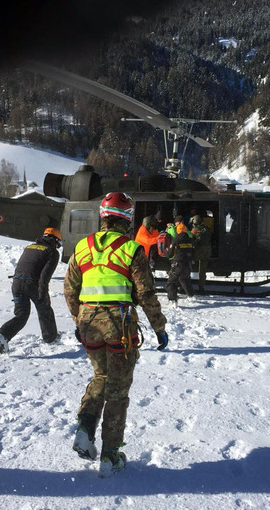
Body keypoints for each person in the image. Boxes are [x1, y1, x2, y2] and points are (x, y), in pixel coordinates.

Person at [64, 192, 168, 478]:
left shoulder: (82, 247)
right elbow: (145, 293)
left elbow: (70, 289)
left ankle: (85, 429)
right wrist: (159, 327)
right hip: (118, 325)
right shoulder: (132, 249)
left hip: (88, 324)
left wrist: (79, 319)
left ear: (103, 216)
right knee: (118, 390)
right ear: (127, 219)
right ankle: (110, 455)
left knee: (101, 376)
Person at [0, 227, 63, 353]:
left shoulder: (29, 247)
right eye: (58, 244)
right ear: (54, 240)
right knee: (45, 310)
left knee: (21, 315)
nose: (58, 247)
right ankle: (51, 338)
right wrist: (42, 293)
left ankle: (3, 335)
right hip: (33, 284)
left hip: (17, 283)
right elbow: (45, 276)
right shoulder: (52, 252)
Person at [165, 216, 195, 306]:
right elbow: (193, 252)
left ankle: (173, 300)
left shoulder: (176, 240)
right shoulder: (190, 240)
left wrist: (167, 251)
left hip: (178, 264)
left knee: (170, 283)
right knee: (184, 279)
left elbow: (170, 254)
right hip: (188, 264)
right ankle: (191, 296)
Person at [189, 214, 211, 292]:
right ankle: (201, 285)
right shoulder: (206, 228)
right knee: (202, 269)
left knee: (188, 263)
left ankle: (185, 283)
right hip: (207, 250)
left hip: (199, 251)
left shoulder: (195, 229)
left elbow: (191, 238)